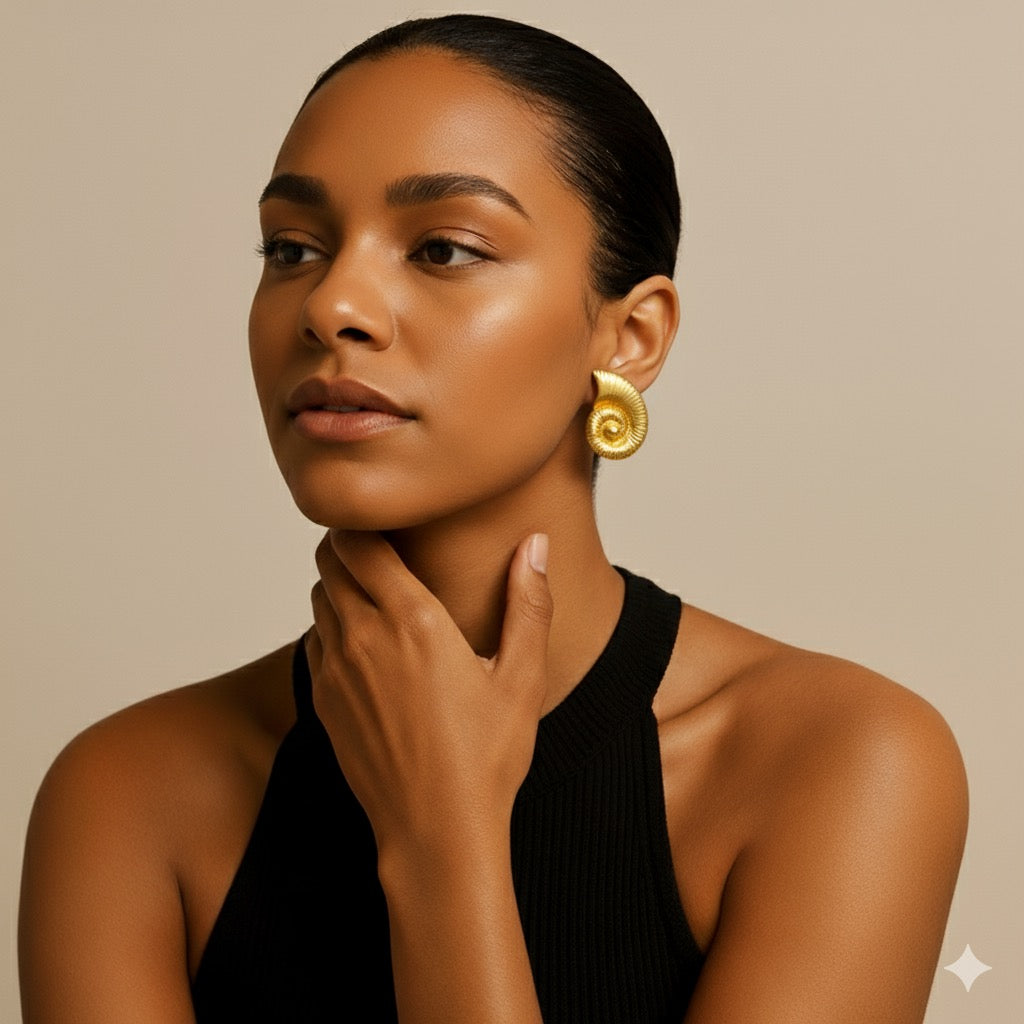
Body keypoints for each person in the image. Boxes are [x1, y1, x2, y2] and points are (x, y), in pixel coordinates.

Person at [18, 13, 967, 1023]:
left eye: (443, 248)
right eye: (291, 246)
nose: (331, 303)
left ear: (630, 336)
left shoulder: (838, 763)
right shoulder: (126, 795)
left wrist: (443, 840)